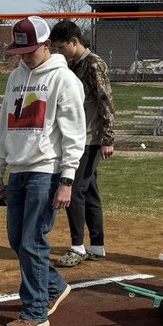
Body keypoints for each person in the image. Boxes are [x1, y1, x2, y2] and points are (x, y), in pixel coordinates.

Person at [0, 16, 86, 326]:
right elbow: (4, 125)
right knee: (18, 240)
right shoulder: (15, 77)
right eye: (20, 52)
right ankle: (54, 286)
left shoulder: (64, 80)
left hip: (47, 171)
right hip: (18, 170)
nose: (25, 57)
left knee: (32, 241)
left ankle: (35, 311)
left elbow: (75, 135)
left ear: (46, 45)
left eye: (30, 50)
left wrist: (67, 180)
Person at [49, 20, 115, 268]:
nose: (59, 52)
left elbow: (105, 100)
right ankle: (97, 246)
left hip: (89, 139)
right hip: (77, 137)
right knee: (89, 191)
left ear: (75, 42)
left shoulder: (94, 64)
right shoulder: (72, 65)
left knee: (74, 190)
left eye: (61, 47)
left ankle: (77, 246)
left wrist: (107, 139)